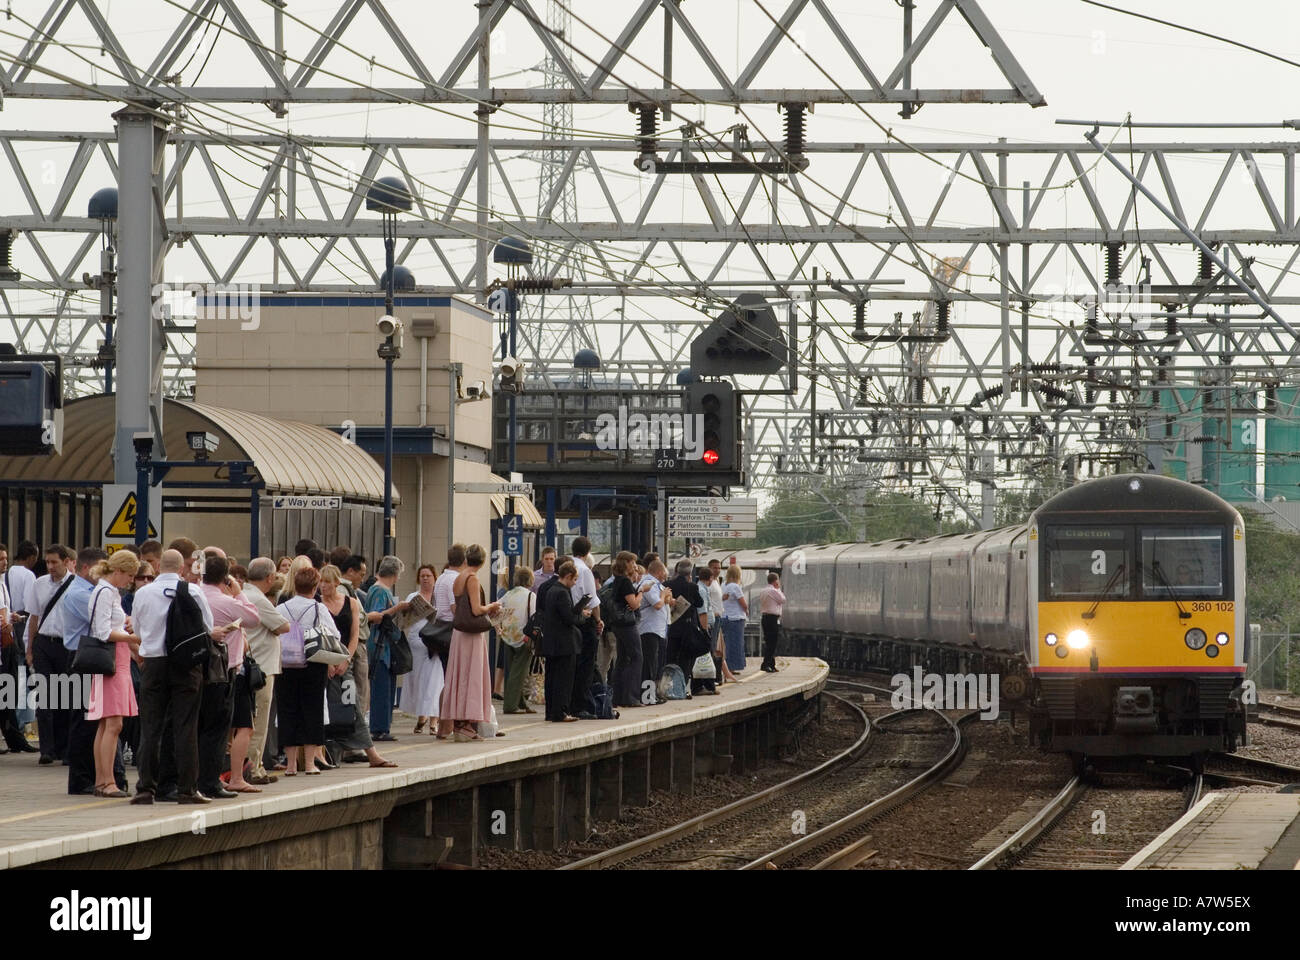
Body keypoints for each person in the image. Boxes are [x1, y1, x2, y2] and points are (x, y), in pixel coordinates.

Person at [131, 549, 215, 805]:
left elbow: (136, 628)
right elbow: (208, 628)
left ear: (157, 568)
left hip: (154, 663)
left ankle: (146, 788)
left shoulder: (143, 593)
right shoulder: (192, 591)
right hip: (186, 665)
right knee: (186, 726)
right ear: (181, 569)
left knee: (151, 727)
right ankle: (187, 789)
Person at [320, 565, 396, 768]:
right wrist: (328, 661)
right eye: (321, 581)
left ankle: (369, 752)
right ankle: (330, 752)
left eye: (327, 582)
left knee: (352, 705)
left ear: (337, 583)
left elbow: (355, 634)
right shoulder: (317, 605)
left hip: (345, 661)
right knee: (326, 708)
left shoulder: (351, 603)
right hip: (324, 662)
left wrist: (346, 659)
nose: (323, 586)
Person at [199, 553, 261, 795]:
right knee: (218, 730)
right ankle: (214, 781)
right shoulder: (227, 603)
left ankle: (199, 778)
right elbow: (253, 618)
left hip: (195, 669)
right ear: (225, 577)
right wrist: (238, 592)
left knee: (199, 727)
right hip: (224, 671)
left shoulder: (194, 594)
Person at [85, 551, 141, 797]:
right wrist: (132, 636)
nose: (130, 581)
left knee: (106, 723)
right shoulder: (106, 592)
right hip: (112, 661)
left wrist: (126, 623)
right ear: (118, 571)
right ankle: (107, 782)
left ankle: (102, 780)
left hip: (115, 660)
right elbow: (102, 631)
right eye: (129, 575)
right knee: (114, 723)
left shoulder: (107, 591)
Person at [276, 565, 337, 775]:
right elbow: (334, 634)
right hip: (313, 662)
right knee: (313, 710)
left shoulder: (282, 607)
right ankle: (310, 763)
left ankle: (291, 765)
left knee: (287, 709)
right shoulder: (318, 608)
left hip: (285, 663)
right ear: (315, 587)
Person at [443, 544, 501, 741]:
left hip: (459, 634)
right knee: (472, 676)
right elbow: (476, 610)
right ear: (483, 561)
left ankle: (459, 725)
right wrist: (492, 606)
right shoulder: (473, 578)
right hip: (472, 635)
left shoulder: (458, 577)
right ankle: (468, 725)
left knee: (460, 676)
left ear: (467, 558)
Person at [25, 544, 75, 763]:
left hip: (66, 645)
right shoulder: (39, 584)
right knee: (44, 696)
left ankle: (63, 747)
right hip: (44, 643)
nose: (50, 566)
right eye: (47, 562)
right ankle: (47, 749)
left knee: (64, 696)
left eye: (54, 562)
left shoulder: (76, 585)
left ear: (66, 561)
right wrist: (30, 648)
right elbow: (33, 617)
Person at [241, 557, 289, 785]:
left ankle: (251, 765)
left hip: (250, 666)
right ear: (270, 577)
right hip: (261, 668)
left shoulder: (243, 594)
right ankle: (254, 767)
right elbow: (283, 626)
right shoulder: (258, 599)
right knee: (258, 721)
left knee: (249, 720)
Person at [364, 556, 409, 741]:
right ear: (395, 574)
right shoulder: (380, 591)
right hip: (379, 645)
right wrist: (397, 608)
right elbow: (376, 615)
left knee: (387, 685)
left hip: (385, 646)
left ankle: (384, 725)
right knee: (381, 686)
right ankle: (379, 727)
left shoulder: (381, 590)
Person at [399, 564, 444, 736]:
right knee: (418, 681)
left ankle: (434, 721)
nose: (425, 578)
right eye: (422, 575)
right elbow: (405, 620)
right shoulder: (413, 597)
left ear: (435, 578)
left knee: (434, 682)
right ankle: (421, 716)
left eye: (428, 576)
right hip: (416, 643)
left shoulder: (439, 597)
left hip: (434, 643)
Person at [541, 562, 589, 722]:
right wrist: (582, 616)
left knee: (552, 678)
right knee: (564, 679)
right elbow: (569, 618)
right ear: (567, 576)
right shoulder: (562, 592)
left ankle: (551, 711)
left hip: (552, 642)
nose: (575, 583)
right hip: (564, 643)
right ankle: (561, 712)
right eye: (574, 579)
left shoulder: (551, 590)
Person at [568, 537, 603, 720]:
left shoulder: (566, 565)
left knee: (572, 665)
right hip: (585, 620)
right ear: (588, 552)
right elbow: (592, 598)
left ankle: (569, 703)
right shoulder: (585, 570)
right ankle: (580, 705)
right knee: (586, 665)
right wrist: (598, 620)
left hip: (569, 620)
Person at [666, 559, 711, 693]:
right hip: (687, 630)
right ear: (690, 573)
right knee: (686, 659)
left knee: (671, 658)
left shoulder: (667, 584)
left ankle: (668, 686)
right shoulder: (692, 587)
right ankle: (682, 688)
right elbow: (699, 603)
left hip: (672, 628)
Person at [339, 555, 371, 737]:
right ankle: (357, 738)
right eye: (362, 573)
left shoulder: (351, 590)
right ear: (351, 571)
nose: (363, 578)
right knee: (358, 692)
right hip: (355, 645)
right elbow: (354, 618)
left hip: (358, 644)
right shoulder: (345, 591)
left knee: (360, 692)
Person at [498, 567, 537, 714]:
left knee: (513, 670)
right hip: (523, 637)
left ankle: (521, 703)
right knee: (519, 672)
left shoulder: (509, 594)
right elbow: (534, 616)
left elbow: (496, 609)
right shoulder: (530, 596)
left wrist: (499, 629)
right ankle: (510, 705)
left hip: (507, 636)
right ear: (530, 580)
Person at [608, 554, 645, 708]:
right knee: (637, 657)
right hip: (627, 624)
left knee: (622, 659)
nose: (635, 564)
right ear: (627, 564)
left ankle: (617, 696)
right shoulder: (625, 582)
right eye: (633, 562)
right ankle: (632, 696)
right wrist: (641, 592)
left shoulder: (617, 580)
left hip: (617, 624)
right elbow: (634, 604)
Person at [636, 559, 671, 701]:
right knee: (649, 664)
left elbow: (666, 601)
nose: (665, 577)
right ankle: (647, 696)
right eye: (664, 573)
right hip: (649, 629)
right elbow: (657, 604)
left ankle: (653, 694)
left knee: (655, 663)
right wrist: (663, 596)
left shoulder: (656, 585)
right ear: (660, 571)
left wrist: (665, 597)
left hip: (657, 629)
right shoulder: (648, 583)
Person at [721, 564, 749, 676]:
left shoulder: (723, 584)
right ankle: (732, 667)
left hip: (725, 617)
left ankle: (727, 668)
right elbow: (743, 603)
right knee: (735, 644)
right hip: (736, 618)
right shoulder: (735, 587)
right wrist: (746, 610)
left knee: (727, 644)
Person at [759, 572, 786, 673]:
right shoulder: (773, 590)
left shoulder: (764, 590)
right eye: (778, 581)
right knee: (772, 643)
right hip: (772, 619)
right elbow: (783, 599)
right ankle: (765, 664)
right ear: (775, 581)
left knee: (769, 642)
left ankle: (771, 664)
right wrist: (778, 588)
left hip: (765, 618)